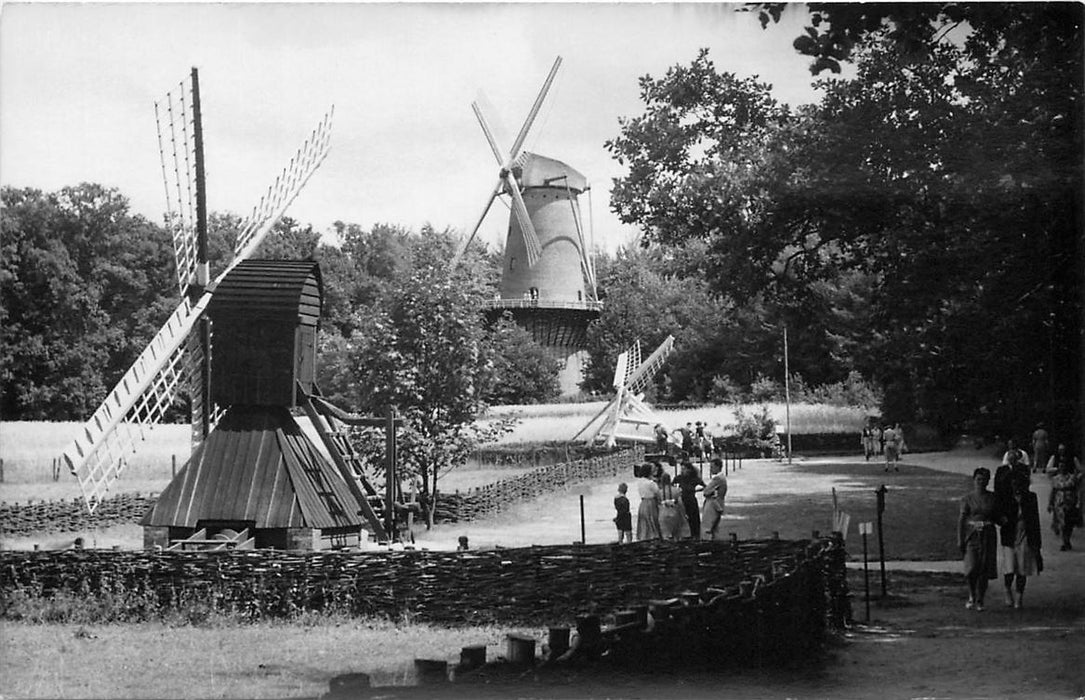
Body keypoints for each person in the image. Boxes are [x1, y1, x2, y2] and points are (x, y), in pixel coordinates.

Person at [998, 473, 1042, 609]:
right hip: (1010, 536)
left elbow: (1035, 520)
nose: (1017, 487)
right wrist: (1002, 519)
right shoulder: (1006, 498)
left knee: (1022, 569)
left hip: (1025, 535)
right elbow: (998, 515)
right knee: (1010, 568)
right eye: (1014, 484)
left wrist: (1037, 544)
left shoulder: (1030, 498)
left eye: (1020, 484)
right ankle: (1007, 589)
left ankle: (1019, 596)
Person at [958, 467, 998, 611]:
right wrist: (960, 539)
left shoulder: (993, 497)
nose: (981, 482)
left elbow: (997, 516)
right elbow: (962, 519)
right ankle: (971, 594)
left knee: (984, 568)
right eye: (978, 479)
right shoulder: (967, 498)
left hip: (988, 535)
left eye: (984, 480)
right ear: (974, 480)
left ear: (988, 481)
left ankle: (980, 598)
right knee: (971, 566)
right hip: (972, 535)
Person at [1048, 450, 1084, 551]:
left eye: (1063, 466)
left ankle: (1067, 539)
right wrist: (1050, 503)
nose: (1061, 468)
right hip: (1059, 503)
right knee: (1062, 523)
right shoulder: (1055, 479)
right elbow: (1053, 491)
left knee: (1069, 523)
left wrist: (1078, 503)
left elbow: (1077, 490)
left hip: (1070, 502)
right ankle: (1065, 541)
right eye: (1060, 466)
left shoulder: (1072, 478)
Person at [673, 461, 705, 539]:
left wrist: (696, 490)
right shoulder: (679, 478)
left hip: (691, 500)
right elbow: (672, 485)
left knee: (693, 519)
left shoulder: (694, 479)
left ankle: (695, 535)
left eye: (684, 469)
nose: (682, 470)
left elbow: (704, 486)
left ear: (689, 470)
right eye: (682, 469)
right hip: (682, 501)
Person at [701, 458, 728, 541]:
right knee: (714, 528)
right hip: (719, 504)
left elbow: (706, 491)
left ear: (718, 467)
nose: (710, 469)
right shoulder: (722, 478)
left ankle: (707, 545)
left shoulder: (718, 478)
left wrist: (708, 491)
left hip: (713, 504)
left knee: (707, 527)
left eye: (712, 467)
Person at [635, 464, 663, 541]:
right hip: (651, 502)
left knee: (644, 521)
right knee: (653, 520)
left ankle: (644, 536)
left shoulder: (640, 481)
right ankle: (654, 536)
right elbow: (658, 493)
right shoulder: (651, 483)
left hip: (643, 502)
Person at [657, 473, 688, 541]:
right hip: (674, 512)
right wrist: (684, 513)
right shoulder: (676, 490)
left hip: (663, 513)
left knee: (665, 535)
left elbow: (657, 504)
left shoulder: (659, 492)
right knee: (676, 534)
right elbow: (680, 503)